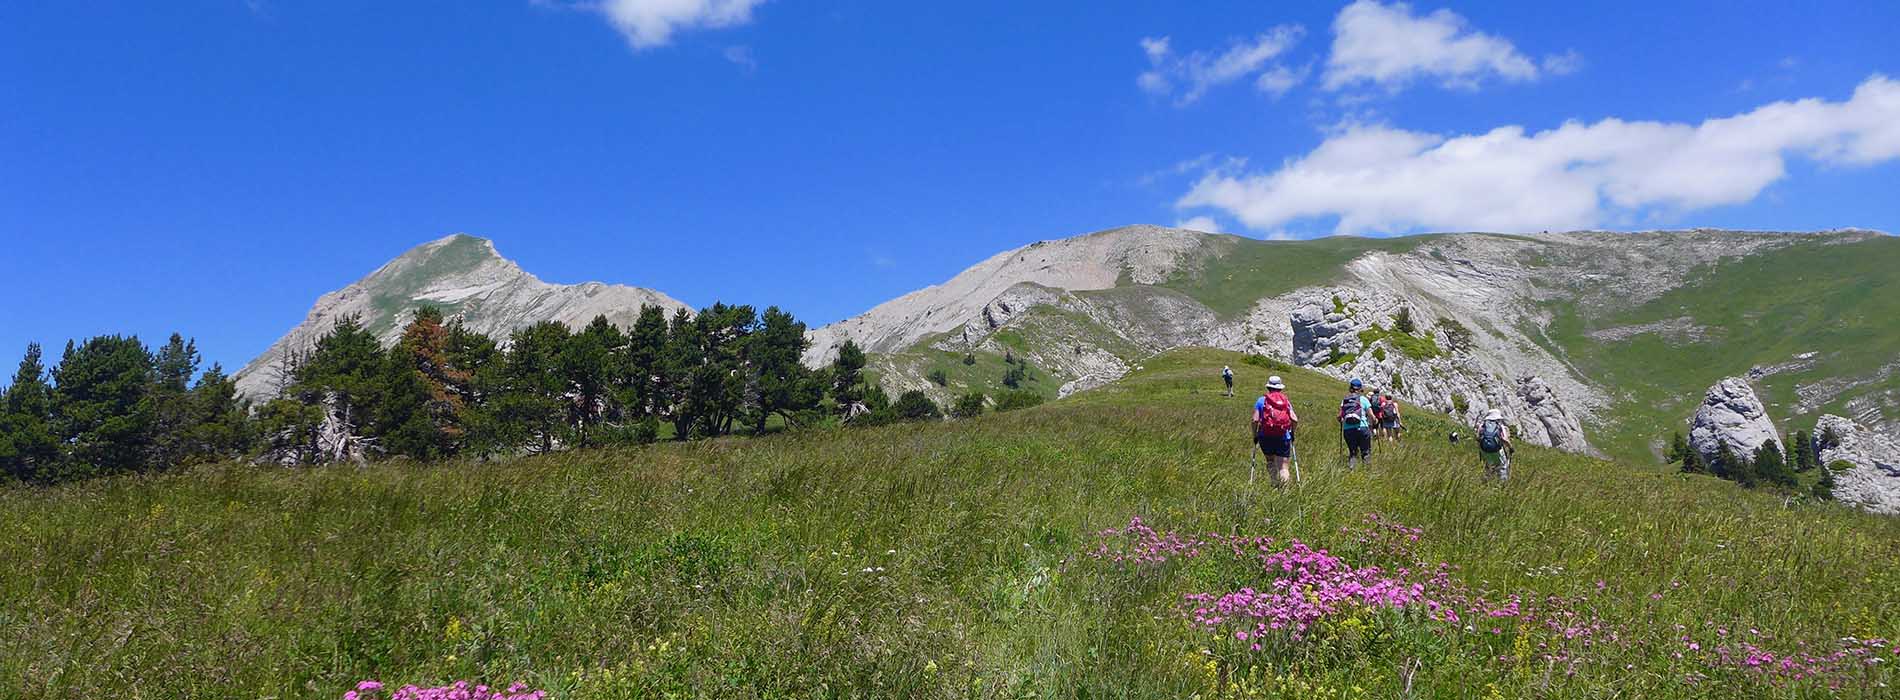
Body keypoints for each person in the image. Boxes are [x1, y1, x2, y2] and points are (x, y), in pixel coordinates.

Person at [1252, 376, 1299, 486]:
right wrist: (1292, 432)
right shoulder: (1285, 401)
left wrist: (1255, 435)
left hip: (1265, 436)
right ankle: (1285, 491)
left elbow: (1255, 420)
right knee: (1283, 467)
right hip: (1283, 436)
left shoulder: (1261, 400)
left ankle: (1274, 483)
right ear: (1280, 388)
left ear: (1268, 387)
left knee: (1270, 461)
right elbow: (1294, 419)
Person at [1337, 378, 1374, 468]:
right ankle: (1367, 471)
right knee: (1365, 452)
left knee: (1352, 453)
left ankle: (1352, 470)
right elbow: (1371, 415)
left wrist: (1342, 420)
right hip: (1362, 428)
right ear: (1360, 388)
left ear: (1350, 388)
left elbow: (1339, 416)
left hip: (1348, 429)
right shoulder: (1363, 399)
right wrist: (1374, 421)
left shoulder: (1345, 400)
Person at [1477, 408, 1513, 481]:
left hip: (1485, 452)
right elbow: (1505, 439)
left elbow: (1478, 438)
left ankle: (1487, 482)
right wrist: (1511, 447)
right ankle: (1502, 484)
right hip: (1497, 452)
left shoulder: (1482, 426)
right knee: (1502, 467)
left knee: (1488, 467)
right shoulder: (1500, 426)